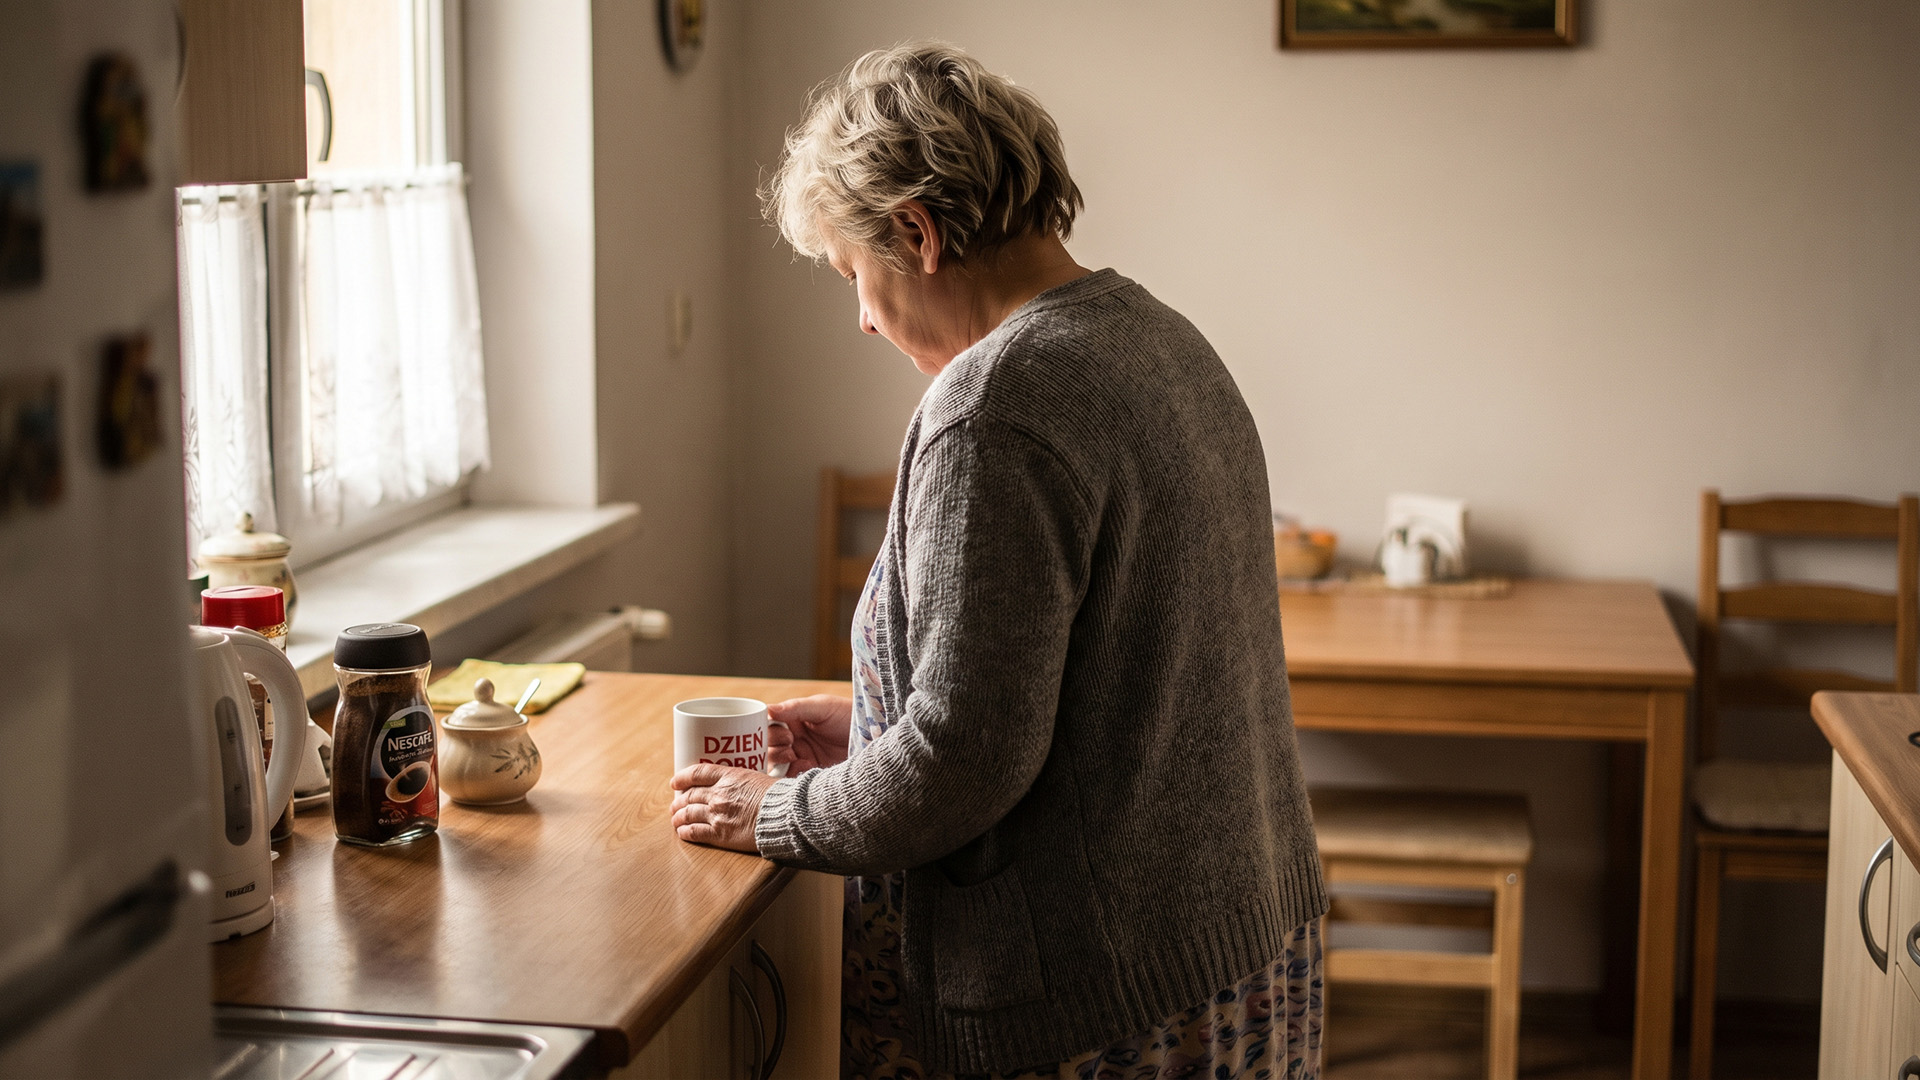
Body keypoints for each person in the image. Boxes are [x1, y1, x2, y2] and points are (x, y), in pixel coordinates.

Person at [671, 42, 1326, 1079]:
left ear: (917, 234)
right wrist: (869, 723)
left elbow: (962, 762)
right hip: (1228, 933)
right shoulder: (1161, 340)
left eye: (853, 276)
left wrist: (776, 811)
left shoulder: (994, 410)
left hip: (1097, 999)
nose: (863, 317)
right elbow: (1109, 673)